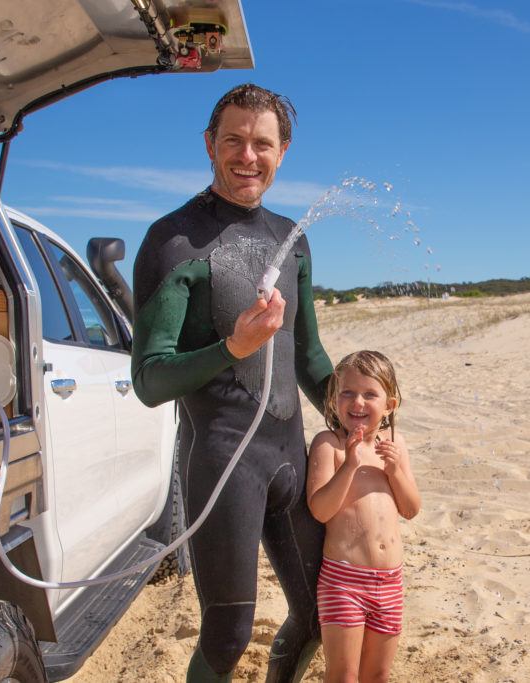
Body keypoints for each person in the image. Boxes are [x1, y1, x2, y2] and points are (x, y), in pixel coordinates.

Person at [131, 83, 334, 682]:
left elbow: (309, 353)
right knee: (226, 636)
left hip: (290, 457)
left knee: (321, 614)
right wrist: (233, 348)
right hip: (221, 462)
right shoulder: (174, 241)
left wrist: (350, 409)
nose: (248, 156)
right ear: (209, 145)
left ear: (283, 151)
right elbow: (148, 379)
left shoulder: (291, 238)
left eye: (262, 144)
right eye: (234, 141)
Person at [306, 350, 421, 683]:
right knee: (343, 675)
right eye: (347, 393)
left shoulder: (395, 444)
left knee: (378, 675)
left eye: (370, 394)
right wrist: (351, 465)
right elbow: (320, 509)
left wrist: (397, 470)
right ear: (333, 401)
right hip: (344, 581)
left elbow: (411, 509)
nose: (357, 402)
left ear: (390, 405)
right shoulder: (330, 445)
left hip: (390, 582)